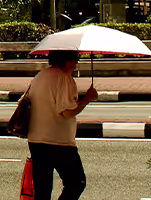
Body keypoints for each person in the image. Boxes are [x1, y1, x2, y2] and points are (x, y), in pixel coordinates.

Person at [27, 49, 96, 200]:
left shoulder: (40, 76)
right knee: (76, 182)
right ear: (66, 60)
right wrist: (87, 99)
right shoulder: (64, 78)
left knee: (42, 190)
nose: (77, 63)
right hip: (58, 142)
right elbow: (67, 111)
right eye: (75, 58)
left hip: (36, 140)